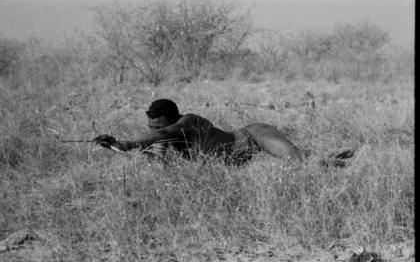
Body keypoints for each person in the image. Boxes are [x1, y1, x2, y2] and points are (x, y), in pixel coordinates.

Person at [94, 98, 354, 167]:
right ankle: (333, 157)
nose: (155, 132)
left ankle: (339, 159)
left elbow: (156, 138)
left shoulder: (188, 121)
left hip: (252, 136)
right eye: (152, 128)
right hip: (239, 151)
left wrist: (123, 143)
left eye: (160, 126)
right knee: (303, 159)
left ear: (174, 120)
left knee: (300, 163)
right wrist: (116, 148)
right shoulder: (166, 138)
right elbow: (154, 151)